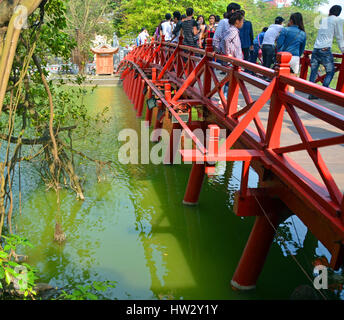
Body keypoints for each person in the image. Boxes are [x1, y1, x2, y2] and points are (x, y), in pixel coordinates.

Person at [308, 5, 344, 99]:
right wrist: (343, 49)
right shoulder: (337, 20)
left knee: (313, 72)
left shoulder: (324, 20)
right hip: (325, 50)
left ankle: (311, 93)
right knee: (330, 71)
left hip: (316, 49)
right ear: (339, 12)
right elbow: (339, 36)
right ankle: (323, 92)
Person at [277, 13, 306, 93]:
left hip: (284, 57)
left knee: (279, 80)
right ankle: (289, 102)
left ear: (291, 21)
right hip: (295, 58)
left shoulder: (285, 30)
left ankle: (278, 101)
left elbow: (279, 44)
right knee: (291, 82)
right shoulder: (302, 33)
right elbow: (301, 49)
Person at [223, 10, 245, 98]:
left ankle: (227, 99)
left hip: (234, 59)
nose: (243, 23)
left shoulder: (231, 29)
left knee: (230, 79)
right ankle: (227, 99)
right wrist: (228, 53)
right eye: (242, 21)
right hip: (234, 60)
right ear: (237, 21)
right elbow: (226, 40)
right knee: (231, 80)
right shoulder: (233, 31)